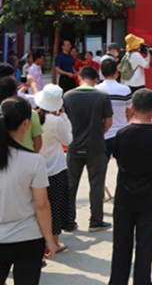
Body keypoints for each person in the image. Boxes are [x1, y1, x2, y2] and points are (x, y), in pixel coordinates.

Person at [110, 89, 152, 285]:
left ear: (133, 108)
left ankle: (117, 281)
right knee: (145, 244)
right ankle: (142, 281)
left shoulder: (122, 133)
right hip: (149, 196)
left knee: (121, 244)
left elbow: (118, 159)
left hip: (124, 196)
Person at [0, 97, 59, 283]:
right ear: (26, 123)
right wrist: (50, 240)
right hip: (28, 237)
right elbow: (41, 205)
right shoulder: (34, 161)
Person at [64, 66, 114, 232]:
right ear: (95, 80)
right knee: (96, 185)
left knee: (71, 184)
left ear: (79, 77)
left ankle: (68, 221)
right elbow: (108, 122)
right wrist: (98, 134)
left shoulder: (68, 96)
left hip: (74, 146)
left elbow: (64, 120)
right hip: (96, 147)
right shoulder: (102, 96)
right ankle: (96, 221)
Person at [35, 84, 74, 253]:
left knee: (39, 205)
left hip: (37, 167)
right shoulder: (56, 121)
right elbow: (68, 140)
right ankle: (54, 243)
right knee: (55, 207)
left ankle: (40, 241)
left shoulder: (34, 117)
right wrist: (64, 117)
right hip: (56, 168)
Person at [97, 58, 132, 160]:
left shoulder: (96, 90)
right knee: (123, 166)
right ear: (117, 72)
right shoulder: (125, 89)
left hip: (103, 134)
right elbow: (129, 112)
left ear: (101, 73)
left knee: (101, 166)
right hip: (122, 133)